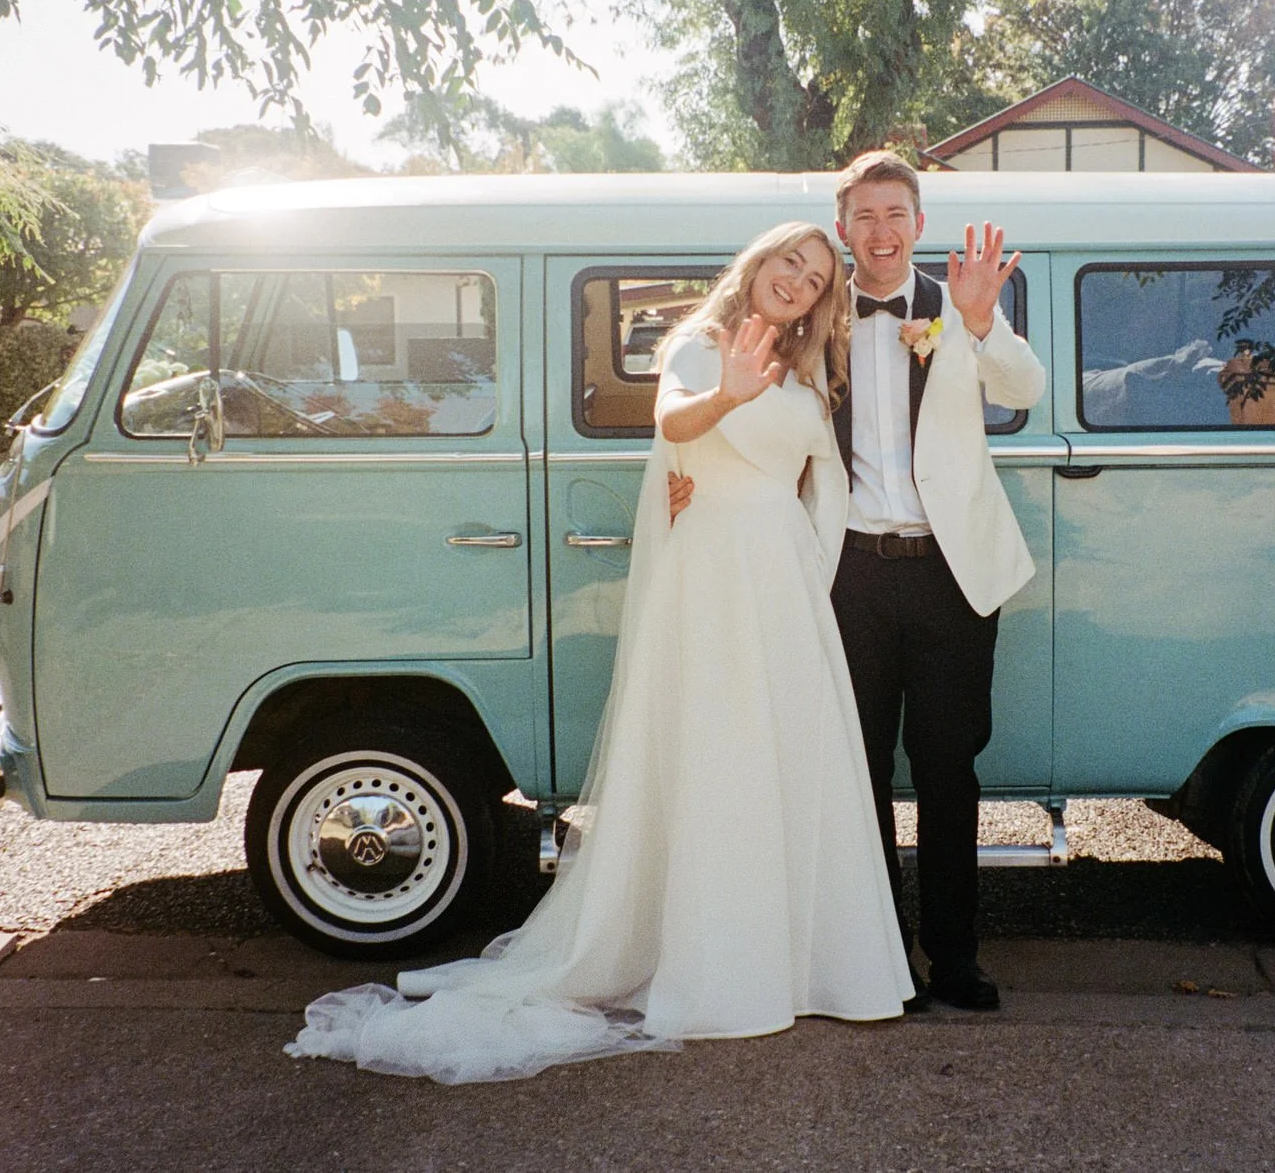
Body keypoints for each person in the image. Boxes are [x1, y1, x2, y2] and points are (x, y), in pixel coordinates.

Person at [284, 221, 914, 1084]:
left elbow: (822, 482)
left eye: (814, 280)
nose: (798, 282)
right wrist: (727, 396)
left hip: (783, 578)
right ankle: (722, 967)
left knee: (786, 758)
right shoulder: (700, 344)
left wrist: (814, 562)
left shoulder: (808, 368)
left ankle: (804, 966)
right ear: (760, 263)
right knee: (719, 753)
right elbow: (673, 419)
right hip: (713, 573)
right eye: (789, 263)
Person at [830, 151, 1045, 1010]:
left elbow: (1026, 387)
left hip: (949, 576)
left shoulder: (959, 306)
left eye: (895, 214)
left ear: (919, 224)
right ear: (843, 228)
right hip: (848, 576)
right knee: (859, 772)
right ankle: (884, 963)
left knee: (949, 768)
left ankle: (956, 959)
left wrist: (983, 322)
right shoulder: (818, 317)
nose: (880, 232)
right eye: (864, 216)